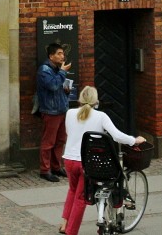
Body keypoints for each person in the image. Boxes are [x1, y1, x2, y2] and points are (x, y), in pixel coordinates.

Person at [59, 86, 145, 235]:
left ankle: (64, 224)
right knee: (81, 198)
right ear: (96, 101)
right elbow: (117, 136)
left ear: (80, 99)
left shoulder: (70, 113)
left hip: (68, 160)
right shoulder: (101, 116)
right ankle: (71, 232)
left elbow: (69, 132)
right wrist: (134, 140)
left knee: (72, 191)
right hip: (86, 163)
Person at [37, 42, 72, 182]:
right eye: (59, 53)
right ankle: (45, 170)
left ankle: (57, 167)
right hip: (50, 111)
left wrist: (66, 90)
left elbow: (58, 88)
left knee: (60, 141)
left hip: (62, 110)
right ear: (51, 56)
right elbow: (52, 85)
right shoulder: (44, 70)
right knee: (48, 142)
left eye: (63, 53)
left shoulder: (57, 69)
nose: (62, 56)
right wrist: (63, 72)